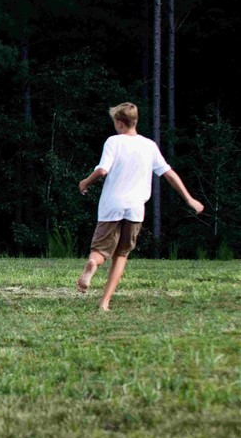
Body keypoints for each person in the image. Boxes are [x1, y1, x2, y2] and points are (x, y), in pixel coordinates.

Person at [77, 102, 204, 311]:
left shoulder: (114, 141)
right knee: (122, 254)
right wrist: (189, 199)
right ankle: (105, 302)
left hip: (112, 206)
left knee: (100, 250)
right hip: (136, 208)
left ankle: (93, 263)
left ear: (119, 123)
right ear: (135, 121)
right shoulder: (149, 146)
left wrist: (85, 182)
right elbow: (169, 174)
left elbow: (102, 171)